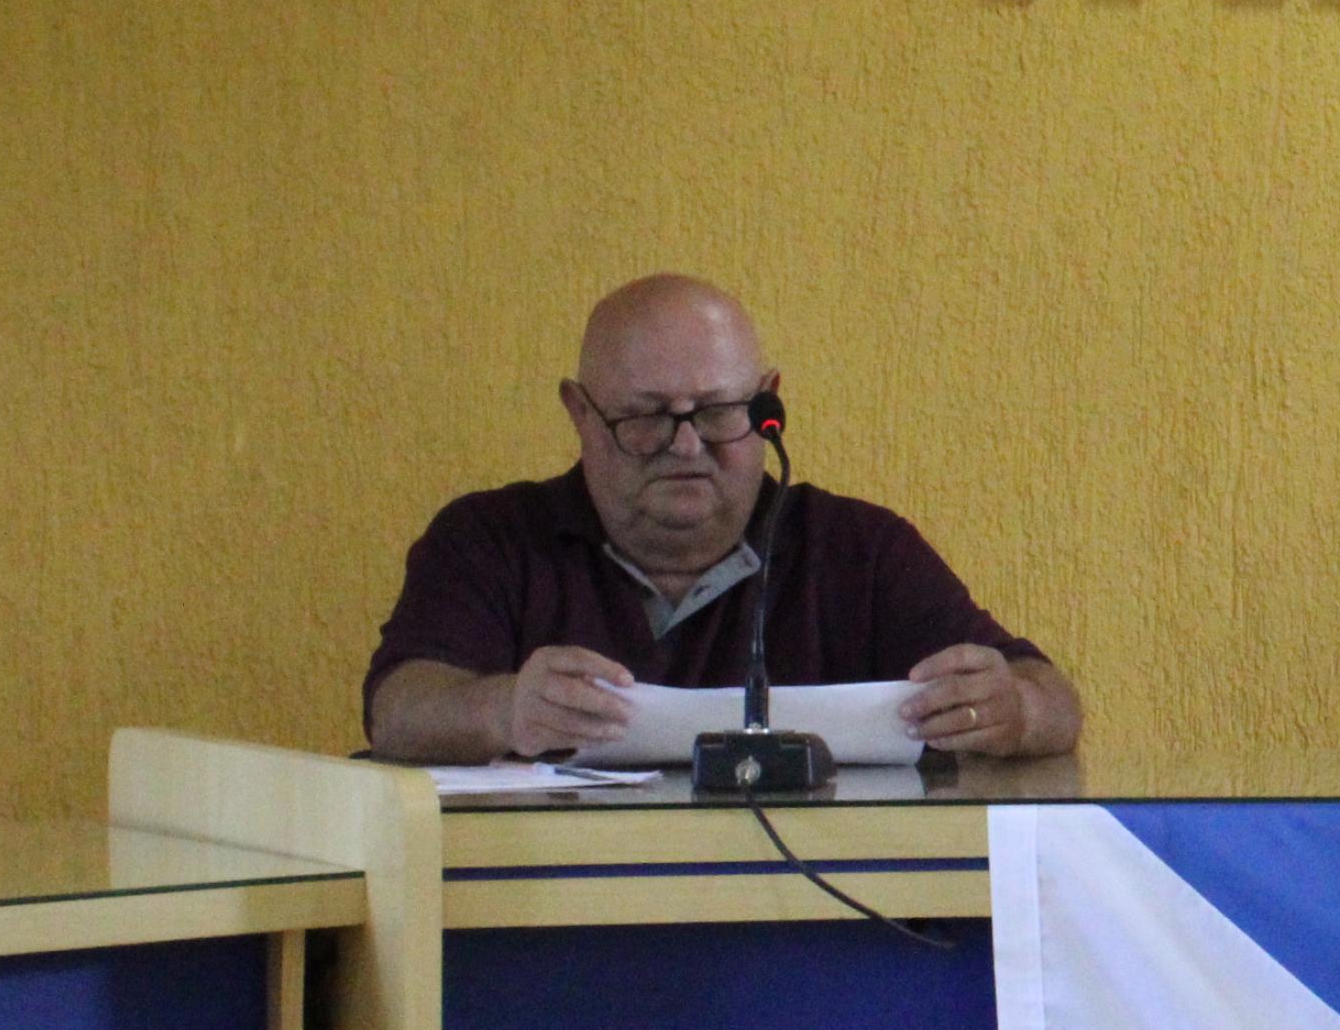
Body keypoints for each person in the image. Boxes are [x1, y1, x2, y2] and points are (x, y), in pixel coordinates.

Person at [364, 274, 1079, 763]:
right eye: (646, 417)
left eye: (716, 412)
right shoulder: (490, 539)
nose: (686, 446)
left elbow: (1053, 700)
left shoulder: (858, 550)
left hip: (810, 914)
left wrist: (1010, 710)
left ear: (768, 401)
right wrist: (504, 710)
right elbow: (398, 709)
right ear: (579, 412)